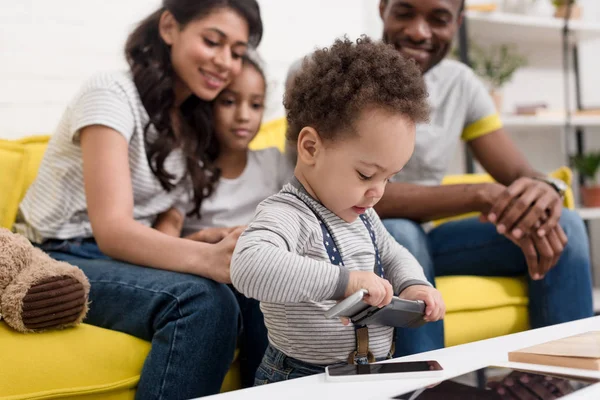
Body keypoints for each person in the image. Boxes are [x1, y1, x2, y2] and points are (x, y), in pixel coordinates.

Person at [14, 0, 264, 398]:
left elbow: (167, 214)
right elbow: (112, 229)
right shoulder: (111, 92)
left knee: (257, 286)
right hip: (57, 253)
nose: (225, 62)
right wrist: (205, 261)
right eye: (213, 42)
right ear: (169, 27)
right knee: (202, 302)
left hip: (118, 254)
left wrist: (187, 245)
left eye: (237, 52)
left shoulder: (193, 119)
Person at [373, 0, 593, 357]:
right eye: (404, 12)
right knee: (401, 231)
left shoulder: (459, 83)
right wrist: (480, 194)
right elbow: (364, 199)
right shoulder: (342, 71)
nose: (419, 31)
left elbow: (520, 173)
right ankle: (421, 390)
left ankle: (565, 378)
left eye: (439, 19)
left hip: (429, 242)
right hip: (355, 245)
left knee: (564, 225)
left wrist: (546, 189)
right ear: (383, 8)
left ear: (458, 22)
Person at [231, 37, 446, 385]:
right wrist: (344, 282)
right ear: (311, 147)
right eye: (365, 174)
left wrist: (414, 286)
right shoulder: (287, 213)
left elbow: (394, 255)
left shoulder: (363, 214)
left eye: (389, 178)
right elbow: (248, 266)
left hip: (370, 370)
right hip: (300, 378)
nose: (377, 191)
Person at [154, 55, 293, 386]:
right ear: (207, 106)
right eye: (229, 102)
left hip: (266, 271)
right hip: (214, 278)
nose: (244, 115)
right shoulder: (189, 170)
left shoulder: (273, 163)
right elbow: (162, 245)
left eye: (256, 105)